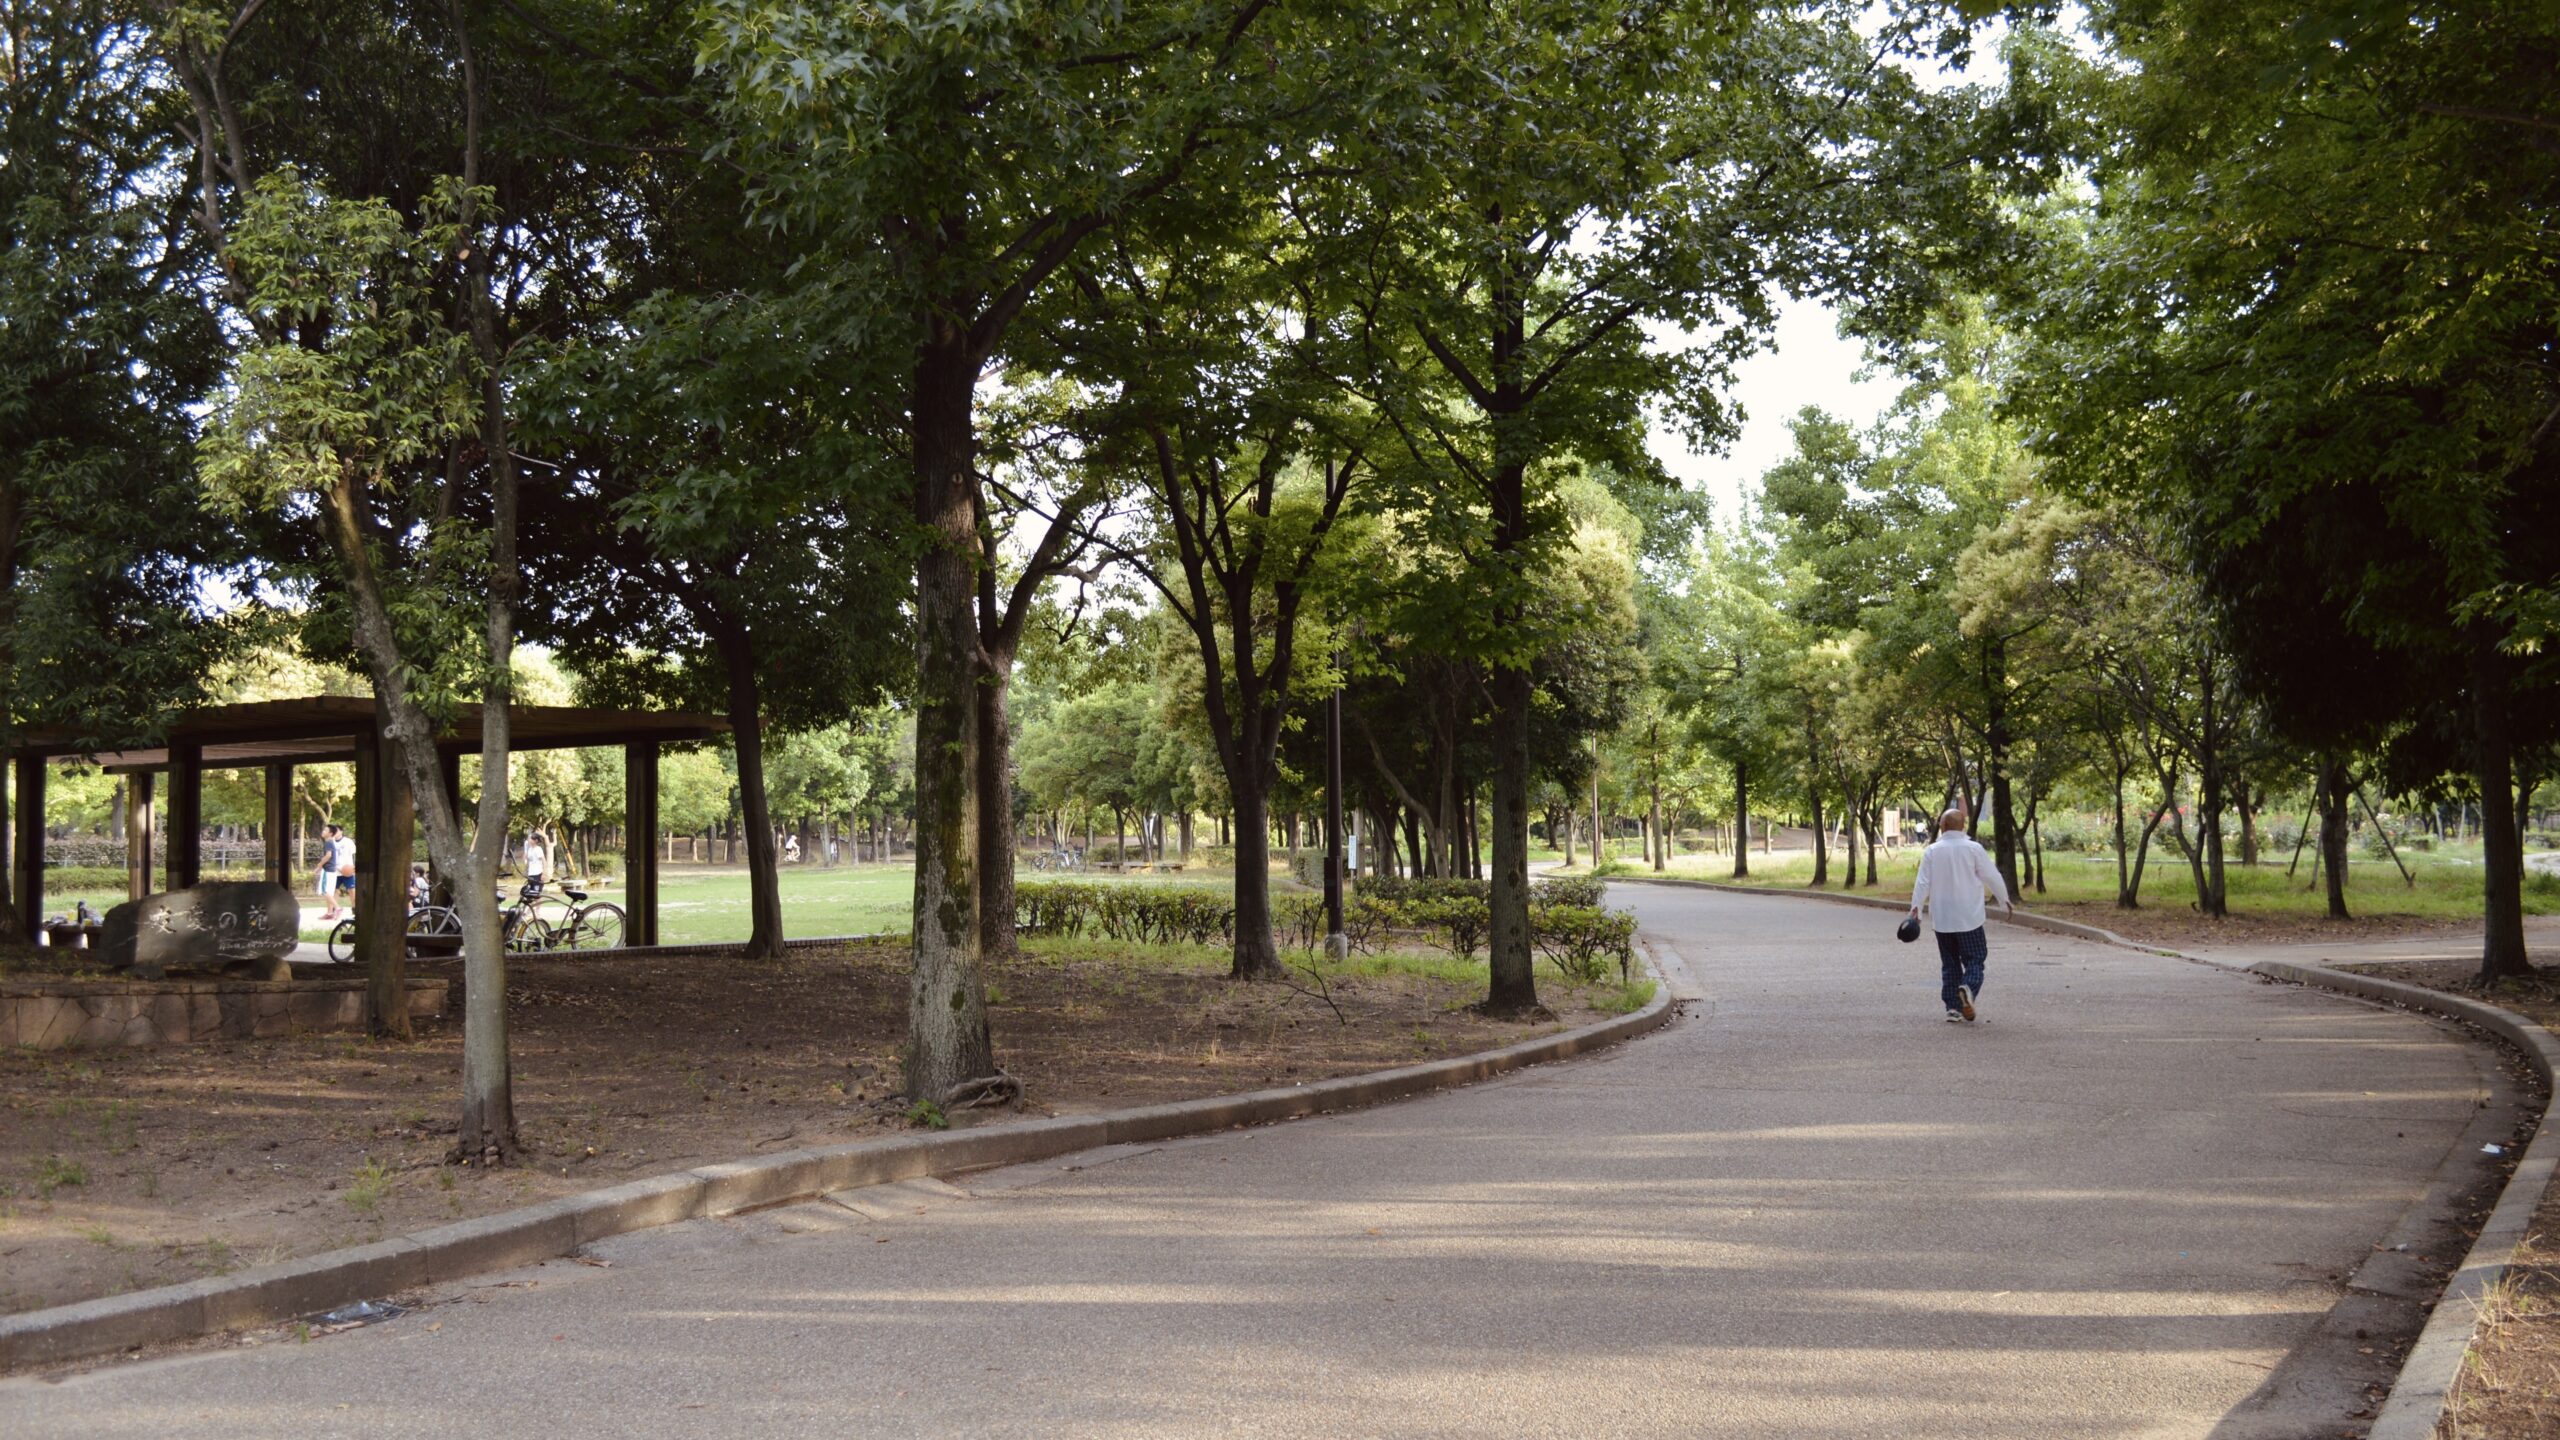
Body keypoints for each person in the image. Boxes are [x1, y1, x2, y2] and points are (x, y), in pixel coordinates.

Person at [1908, 807, 2012, 1024]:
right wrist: (2004, 900)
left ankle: (1953, 1008)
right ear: (1963, 826)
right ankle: (1968, 988)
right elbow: (1991, 875)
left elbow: (1923, 882)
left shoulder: (1932, 851)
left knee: (1950, 963)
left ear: (1942, 826)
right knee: (1975, 959)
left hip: (1943, 918)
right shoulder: (1974, 849)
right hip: (1969, 917)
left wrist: (1915, 909)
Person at [522, 830, 549, 898]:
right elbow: (528, 861)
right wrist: (526, 870)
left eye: (530, 838)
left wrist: (544, 873)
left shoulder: (538, 849)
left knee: (536, 893)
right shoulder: (530, 849)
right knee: (530, 893)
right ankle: (531, 907)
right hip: (531, 874)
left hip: (538, 874)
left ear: (535, 840)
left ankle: (537, 908)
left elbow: (544, 861)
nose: (529, 840)